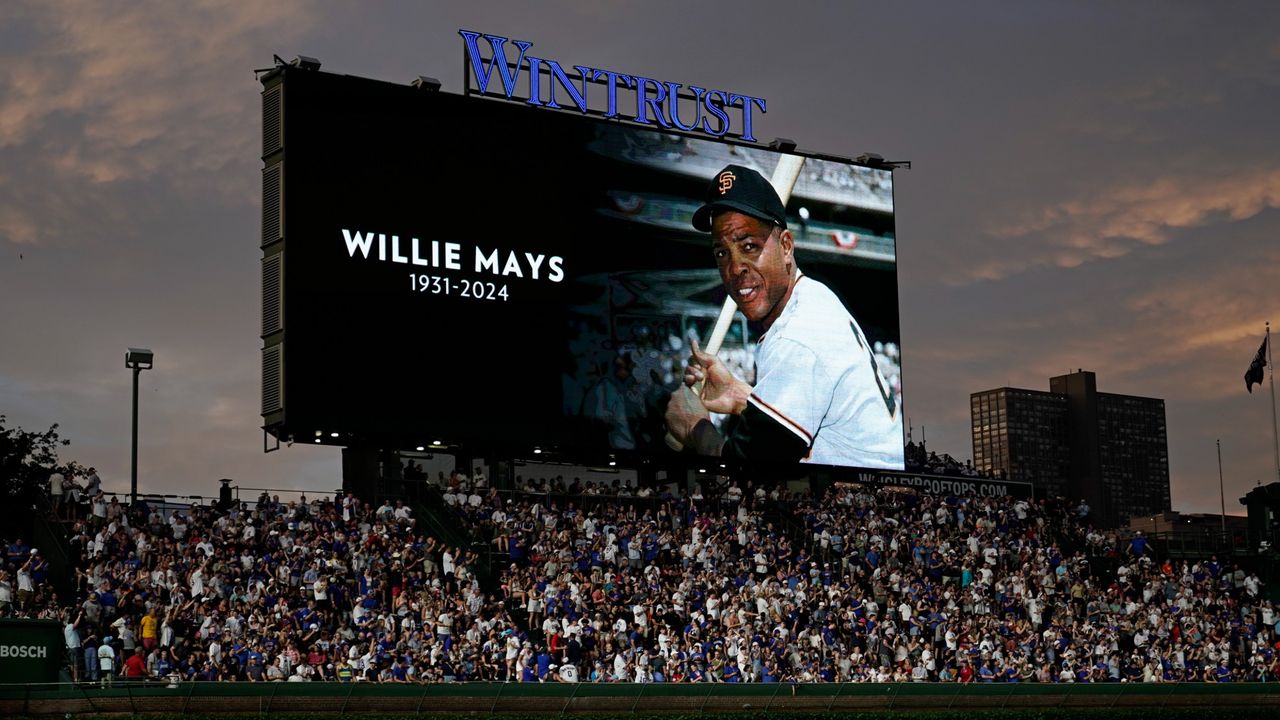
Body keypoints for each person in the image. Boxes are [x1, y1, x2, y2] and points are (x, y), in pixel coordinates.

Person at [664, 164, 904, 468]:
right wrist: (741, 396)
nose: (735, 268)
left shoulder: (798, 336)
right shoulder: (814, 295)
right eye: (722, 253)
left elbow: (748, 474)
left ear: (786, 246)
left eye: (749, 246)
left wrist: (694, 427)